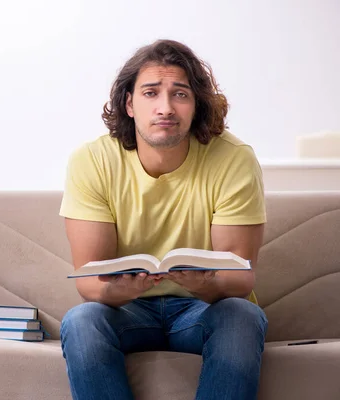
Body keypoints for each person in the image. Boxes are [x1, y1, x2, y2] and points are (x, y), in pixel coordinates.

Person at [58, 39, 268, 400]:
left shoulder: (234, 159)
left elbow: (238, 276)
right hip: (128, 309)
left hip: (204, 308)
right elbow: (89, 281)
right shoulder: (91, 161)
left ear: (196, 104)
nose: (165, 108)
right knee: (81, 321)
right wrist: (128, 288)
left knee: (241, 316)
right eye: (151, 93)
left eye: (180, 94)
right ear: (129, 104)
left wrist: (199, 284)